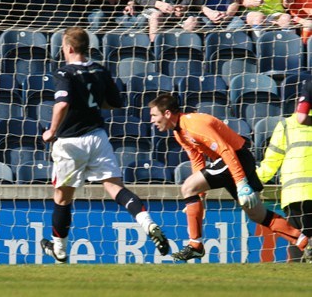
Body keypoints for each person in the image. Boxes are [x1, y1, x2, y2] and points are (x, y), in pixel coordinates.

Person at [40, 27, 170, 263]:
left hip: (70, 141)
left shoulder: (65, 73)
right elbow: (112, 103)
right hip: (98, 137)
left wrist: (51, 131)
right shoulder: (100, 70)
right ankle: (147, 222)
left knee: (62, 197)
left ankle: (59, 249)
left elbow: (61, 104)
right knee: (115, 188)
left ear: (68, 48)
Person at [148, 93, 309, 261]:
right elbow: (197, 160)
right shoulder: (179, 132)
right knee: (257, 215)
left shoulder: (193, 124)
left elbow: (226, 150)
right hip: (232, 161)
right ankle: (304, 242)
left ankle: (195, 245)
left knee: (187, 187)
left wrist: (240, 182)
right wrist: (200, 197)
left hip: (235, 158)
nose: (151, 120)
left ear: (167, 113)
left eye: (154, 115)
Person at [256, 111, 312, 262]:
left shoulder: (287, 125)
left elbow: (268, 167)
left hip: (296, 194)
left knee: (298, 245)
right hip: (298, 194)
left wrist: (245, 178)